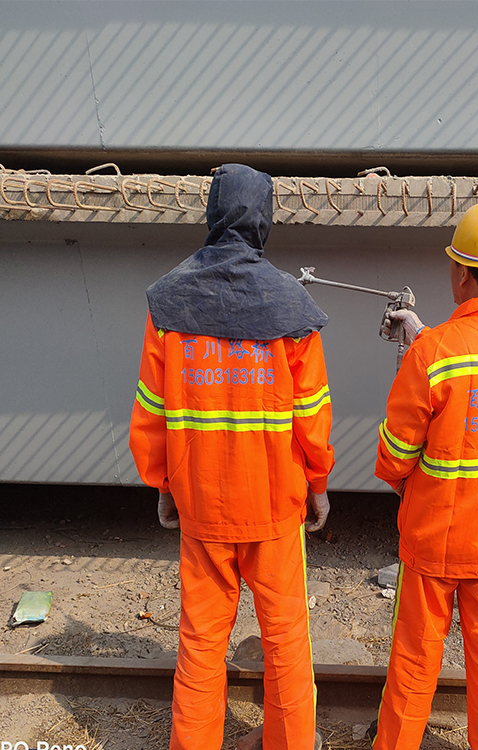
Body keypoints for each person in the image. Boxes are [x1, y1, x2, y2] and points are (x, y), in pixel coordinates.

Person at [129, 164, 334, 750]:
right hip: (274, 510)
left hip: (201, 507)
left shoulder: (167, 304)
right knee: (286, 639)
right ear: (264, 220)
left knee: (200, 641)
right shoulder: (292, 308)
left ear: (214, 216)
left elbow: (151, 413)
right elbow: (311, 415)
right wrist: (318, 484)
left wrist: (164, 486)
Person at [371, 203, 478, 750]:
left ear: (463, 272)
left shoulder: (432, 354)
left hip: (434, 542)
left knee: (414, 662)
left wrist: (420, 349)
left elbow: (396, 454)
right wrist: (426, 337)